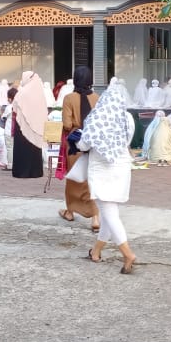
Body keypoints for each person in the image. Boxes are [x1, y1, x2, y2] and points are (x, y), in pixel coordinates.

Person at [78, 84, 138, 274]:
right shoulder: (127, 118)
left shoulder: (97, 118)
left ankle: (127, 253)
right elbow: (128, 141)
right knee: (107, 214)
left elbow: (84, 145)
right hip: (121, 168)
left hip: (102, 170)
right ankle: (96, 251)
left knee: (110, 214)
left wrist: (77, 140)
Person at [59, 66, 100, 231]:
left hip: (76, 143)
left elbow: (67, 124)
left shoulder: (69, 98)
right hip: (94, 143)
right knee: (93, 179)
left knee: (75, 178)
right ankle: (96, 217)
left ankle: (70, 211)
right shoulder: (97, 97)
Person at [12, 71, 47, 179]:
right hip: (37, 126)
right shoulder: (40, 93)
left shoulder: (22, 92)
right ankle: (35, 172)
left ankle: (22, 172)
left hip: (22, 126)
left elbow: (15, 107)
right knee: (34, 148)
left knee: (23, 149)